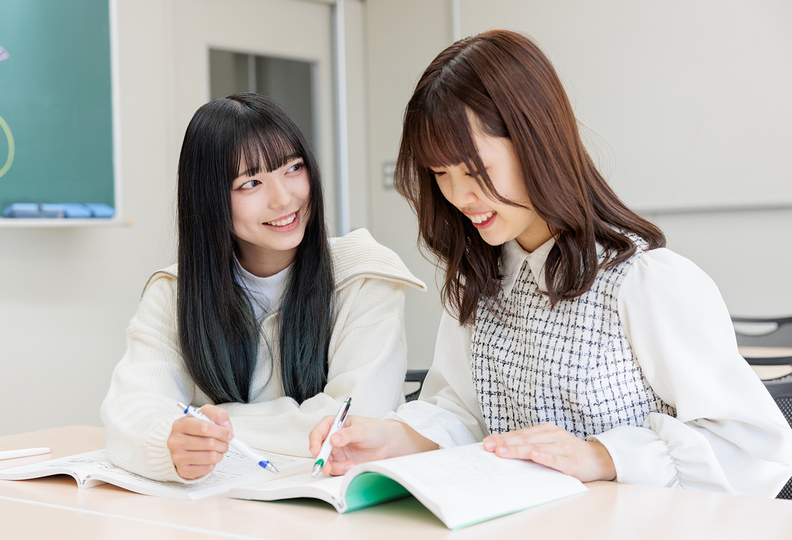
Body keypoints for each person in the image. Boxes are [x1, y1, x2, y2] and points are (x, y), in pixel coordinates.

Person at [309, 30, 792, 497]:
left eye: (475, 169)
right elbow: (464, 413)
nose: (458, 196)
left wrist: (601, 456)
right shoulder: (484, 282)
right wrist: (390, 438)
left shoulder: (646, 282)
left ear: (536, 142)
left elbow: (754, 448)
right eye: (440, 173)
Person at [101, 93, 425, 482]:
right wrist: (169, 443)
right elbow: (129, 410)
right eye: (251, 182)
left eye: (293, 168)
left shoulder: (364, 275)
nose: (284, 198)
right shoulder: (173, 294)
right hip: (215, 514)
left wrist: (208, 426)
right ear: (209, 200)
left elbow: (355, 423)